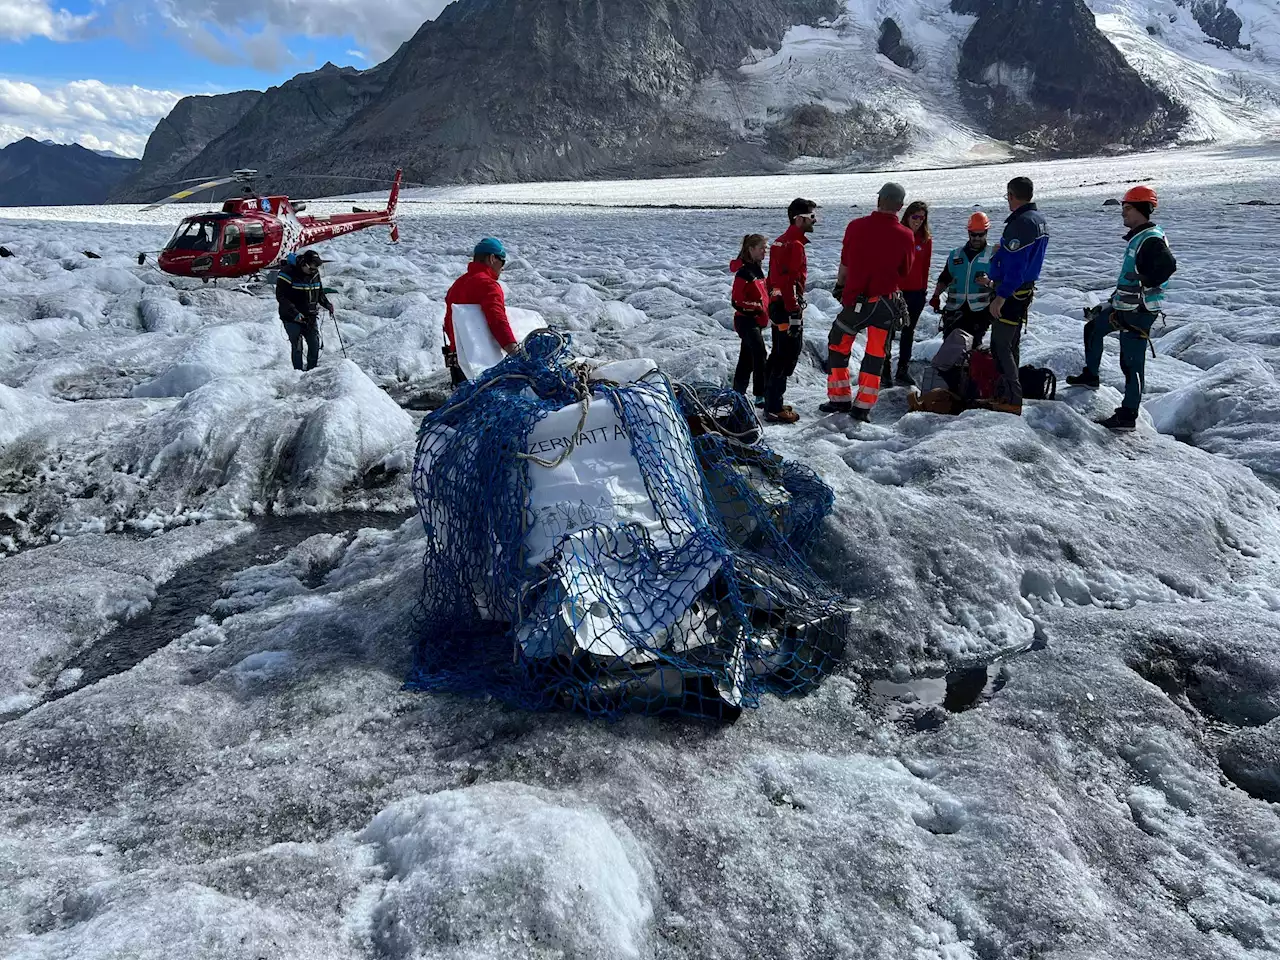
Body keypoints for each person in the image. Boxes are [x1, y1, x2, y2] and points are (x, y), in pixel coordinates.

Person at [1065, 185, 1177, 431]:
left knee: (1131, 362)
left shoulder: (1150, 240)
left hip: (1138, 313)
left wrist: (1146, 282)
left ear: (1141, 210)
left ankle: (1128, 415)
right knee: (1094, 327)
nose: (1123, 213)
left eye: (1127, 208)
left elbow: (1168, 265)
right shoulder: (1142, 237)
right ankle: (1091, 376)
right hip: (1125, 308)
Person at [820, 182, 915, 422]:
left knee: (838, 343)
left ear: (879, 200)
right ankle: (862, 407)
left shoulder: (856, 227)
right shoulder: (905, 235)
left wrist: (841, 287)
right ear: (901, 206)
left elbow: (845, 265)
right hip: (885, 304)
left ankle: (839, 398)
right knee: (875, 354)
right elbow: (905, 271)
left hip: (856, 302)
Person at [982, 176, 1049, 414]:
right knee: (1012, 343)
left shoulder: (1021, 223)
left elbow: (1016, 266)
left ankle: (1011, 398)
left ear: (1012, 195)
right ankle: (1009, 393)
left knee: (1000, 344)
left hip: (1012, 293)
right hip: (1023, 291)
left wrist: (1001, 295)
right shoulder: (1038, 220)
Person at [763, 199, 818, 425]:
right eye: (811, 216)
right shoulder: (794, 245)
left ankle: (771, 402)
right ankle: (774, 408)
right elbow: (789, 281)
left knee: (778, 353)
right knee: (786, 355)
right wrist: (794, 310)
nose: (815, 220)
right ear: (799, 218)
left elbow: (774, 279)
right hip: (786, 307)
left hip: (778, 305)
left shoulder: (780, 242)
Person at [928, 212, 996, 392]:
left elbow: (1002, 284)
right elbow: (945, 278)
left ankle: (970, 388)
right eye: (974, 234)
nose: (977, 238)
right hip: (954, 310)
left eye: (981, 234)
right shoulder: (955, 255)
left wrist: (989, 283)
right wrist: (936, 296)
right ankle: (947, 387)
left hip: (979, 311)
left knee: (974, 350)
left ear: (986, 233)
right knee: (950, 348)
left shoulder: (993, 256)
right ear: (968, 234)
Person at [443, 237, 516, 386]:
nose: (502, 267)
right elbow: (497, 320)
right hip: (480, 365)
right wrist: (514, 351)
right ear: (492, 258)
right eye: (502, 261)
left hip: (458, 363)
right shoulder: (489, 285)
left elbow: (448, 322)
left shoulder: (457, 284)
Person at [883, 200, 932, 387]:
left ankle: (903, 369)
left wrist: (924, 290)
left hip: (916, 293)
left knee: (908, 331)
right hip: (896, 291)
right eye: (915, 216)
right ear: (907, 215)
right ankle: (885, 369)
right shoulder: (898, 235)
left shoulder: (926, 239)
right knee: (887, 331)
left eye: (922, 217)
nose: (918, 221)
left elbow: (925, 266)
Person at [730, 234, 770, 407]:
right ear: (751, 249)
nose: (765, 251)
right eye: (761, 247)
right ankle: (760, 395)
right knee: (760, 353)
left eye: (765, 247)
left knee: (746, 358)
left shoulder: (757, 269)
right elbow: (737, 301)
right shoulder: (744, 272)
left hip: (757, 321)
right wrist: (758, 307)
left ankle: (737, 393)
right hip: (746, 321)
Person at [276, 249, 332, 371]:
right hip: (291, 316)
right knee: (297, 347)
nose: (314, 271)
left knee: (314, 344)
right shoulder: (287, 273)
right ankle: (298, 373)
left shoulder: (315, 273)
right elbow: (281, 297)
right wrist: (295, 313)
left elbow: (319, 292)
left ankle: (311, 371)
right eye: (311, 269)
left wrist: (327, 304)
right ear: (304, 264)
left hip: (310, 315)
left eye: (316, 269)